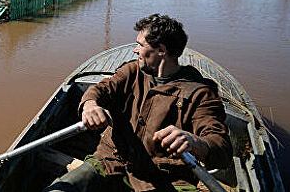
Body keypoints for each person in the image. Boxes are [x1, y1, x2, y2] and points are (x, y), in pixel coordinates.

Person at [45, 14, 232, 192]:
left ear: (161, 50)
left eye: (140, 45)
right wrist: (90, 106)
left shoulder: (201, 93)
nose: (135, 50)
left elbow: (221, 148)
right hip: (111, 162)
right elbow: (100, 90)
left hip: (168, 179)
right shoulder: (131, 71)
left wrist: (195, 143)